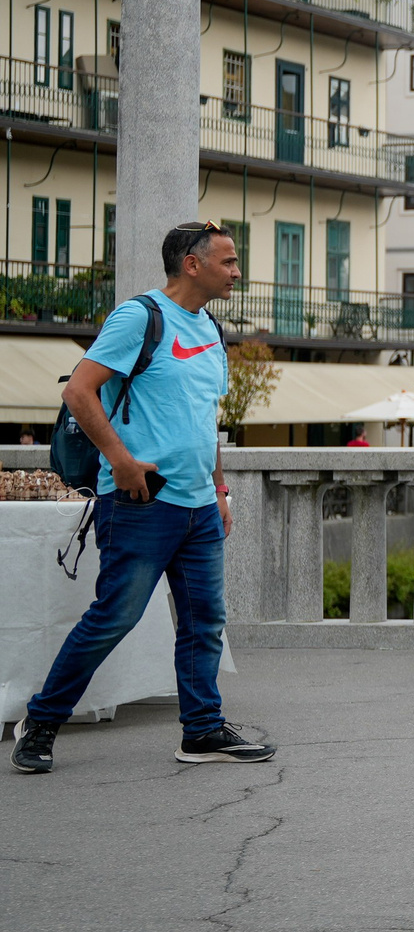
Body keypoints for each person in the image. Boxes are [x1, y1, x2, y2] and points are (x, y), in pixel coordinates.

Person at [11, 224, 270, 775]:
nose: (237, 271)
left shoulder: (210, 327)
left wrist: (219, 489)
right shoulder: (139, 318)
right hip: (140, 501)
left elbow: (206, 420)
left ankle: (201, 731)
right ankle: (40, 721)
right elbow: (78, 391)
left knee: (204, 620)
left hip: (199, 504)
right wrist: (121, 461)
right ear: (192, 265)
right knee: (114, 618)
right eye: (228, 261)